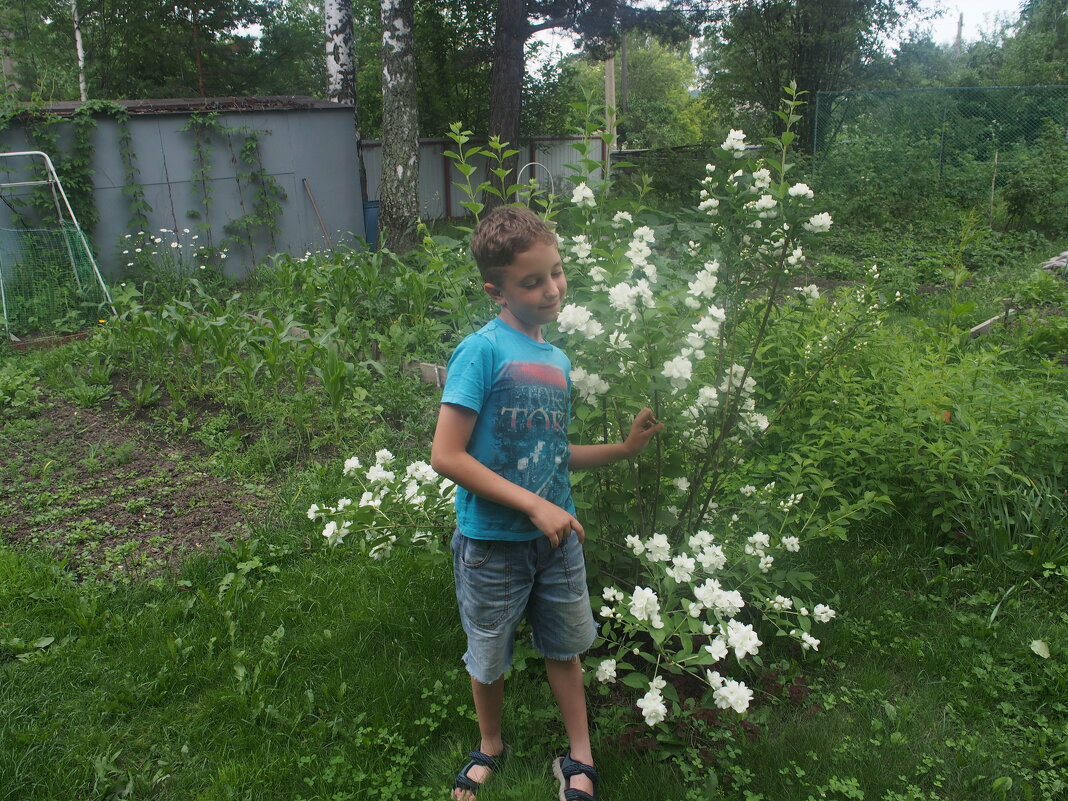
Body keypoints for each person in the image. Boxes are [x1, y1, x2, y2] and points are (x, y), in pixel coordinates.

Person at [430, 204, 664, 801]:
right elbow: (447, 455)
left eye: (556, 273)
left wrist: (623, 449)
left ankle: (579, 756)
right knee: (488, 657)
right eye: (532, 282)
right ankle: (490, 744)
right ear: (496, 290)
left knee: (565, 648)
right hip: (492, 545)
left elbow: (553, 454)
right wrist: (533, 507)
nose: (551, 289)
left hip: (558, 542)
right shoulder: (481, 353)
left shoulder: (556, 361)